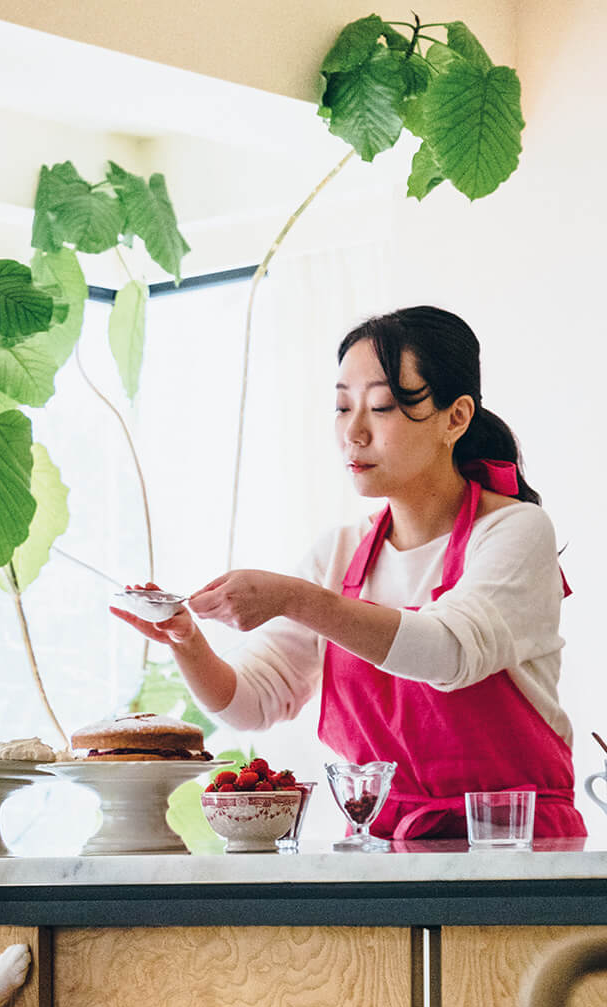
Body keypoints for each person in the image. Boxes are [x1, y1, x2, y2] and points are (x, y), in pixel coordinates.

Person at [112, 305, 587, 841]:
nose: (353, 433)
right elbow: (253, 702)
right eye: (342, 407)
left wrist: (300, 600)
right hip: (386, 851)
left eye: (382, 406)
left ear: (455, 418)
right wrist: (188, 641)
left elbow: (448, 652)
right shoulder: (337, 552)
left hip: (519, 850)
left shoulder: (515, 531)